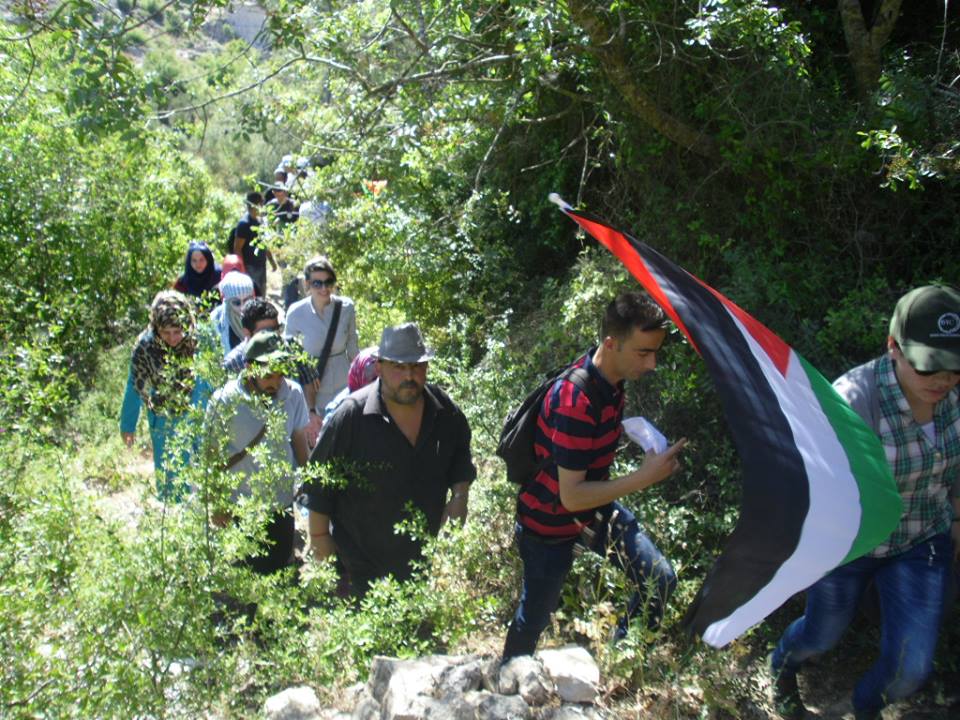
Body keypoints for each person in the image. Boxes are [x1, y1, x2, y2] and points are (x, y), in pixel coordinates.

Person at [770, 284, 960, 720]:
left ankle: (865, 707)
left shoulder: (955, 399)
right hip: (851, 546)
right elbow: (813, 482)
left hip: (921, 537)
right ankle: (785, 661)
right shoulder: (856, 399)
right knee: (821, 634)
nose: (943, 380)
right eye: (929, 367)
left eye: (954, 367)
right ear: (893, 347)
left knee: (910, 669)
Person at [501, 292, 688, 661]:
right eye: (643, 352)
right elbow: (571, 496)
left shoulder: (611, 378)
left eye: (655, 352)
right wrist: (644, 477)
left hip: (594, 513)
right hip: (549, 526)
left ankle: (616, 660)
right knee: (536, 617)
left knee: (659, 579)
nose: (652, 364)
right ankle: (510, 678)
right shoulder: (575, 400)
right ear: (610, 343)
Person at [297, 322, 476, 596]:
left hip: (419, 560)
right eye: (399, 367)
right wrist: (320, 541)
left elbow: (460, 453)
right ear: (379, 367)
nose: (409, 375)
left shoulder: (443, 411)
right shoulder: (351, 417)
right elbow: (319, 484)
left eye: (417, 367)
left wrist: (459, 497)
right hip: (359, 565)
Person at [203, 331, 310, 575]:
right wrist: (217, 503)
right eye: (269, 374)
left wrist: (308, 478)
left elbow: (299, 440)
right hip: (240, 505)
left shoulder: (292, 393)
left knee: (280, 571)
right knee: (245, 575)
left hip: (280, 503)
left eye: (281, 373)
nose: (277, 381)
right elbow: (210, 454)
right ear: (250, 367)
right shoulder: (224, 400)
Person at [119, 290, 210, 498]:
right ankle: (173, 520)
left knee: (203, 472)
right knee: (170, 476)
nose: (172, 339)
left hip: (197, 408)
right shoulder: (145, 346)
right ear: (156, 327)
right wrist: (127, 425)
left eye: (177, 332)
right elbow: (135, 385)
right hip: (163, 415)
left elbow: (213, 379)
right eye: (165, 333)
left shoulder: (200, 339)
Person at [284, 256, 359, 441]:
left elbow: (353, 348)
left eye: (328, 282)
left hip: (343, 383)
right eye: (317, 283)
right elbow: (289, 355)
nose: (324, 288)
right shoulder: (296, 312)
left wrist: (360, 385)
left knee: (343, 437)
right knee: (316, 442)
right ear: (308, 284)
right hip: (312, 390)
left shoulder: (346, 307)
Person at [230, 191, 277, 297]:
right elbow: (237, 248)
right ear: (256, 205)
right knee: (251, 296)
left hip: (261, 265)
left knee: (261, 295)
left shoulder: (260, 221)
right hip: (249, 266)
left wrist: (272, 261)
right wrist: (242, 270)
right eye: (262, 203)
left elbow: (264, 243)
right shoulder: (244, 224)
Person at [322, 346, 379, 423]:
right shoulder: (340, 408)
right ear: (359, 371)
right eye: (373, 378)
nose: (377, 382)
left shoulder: (390, 402)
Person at [209, 271, 255, 358]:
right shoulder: (216, 320)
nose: (242, 307)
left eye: (247, 301)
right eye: (236, 302)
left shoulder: (262, 315)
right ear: (228, 302)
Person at [173, 241, 221, 310]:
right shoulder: (182, 283)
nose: (198, 264)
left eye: (202, 260)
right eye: (194, 260)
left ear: (208, 260)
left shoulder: (220, 276)